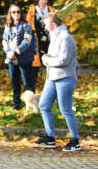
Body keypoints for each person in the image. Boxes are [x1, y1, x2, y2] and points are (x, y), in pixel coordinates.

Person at [35, 12, 82, 151]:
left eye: (46, 24)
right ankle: (50, 138)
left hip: (65, 77)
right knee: (43, 105)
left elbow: (63, 60)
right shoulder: (55, 37)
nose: (44, 26)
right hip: (52, 77)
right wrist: (48, 58)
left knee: (65, 109)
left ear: (53, 25)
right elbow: (56, 57)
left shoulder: (65, 38)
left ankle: (75, 140)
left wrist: (47, 60)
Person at [2, 4, 37, 110]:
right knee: (15, 82)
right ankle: (16, 103)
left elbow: (27, 40)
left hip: (24, 58)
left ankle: (34, 104)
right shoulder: (8, 26)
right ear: (10, 14)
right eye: (13, 12)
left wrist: (16, 52)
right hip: (11, 59)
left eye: (18, 12)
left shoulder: (26, 25)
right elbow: (4, 40)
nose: (16, 14)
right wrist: (8, 52)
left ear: (21, 13)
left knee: (28, 83)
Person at [27, 0, 53, 70]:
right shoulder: (32, 10)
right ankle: (34, 80)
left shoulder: (51, 10)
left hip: (50, 39)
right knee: (36, 61)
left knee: (50, 61)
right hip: (36, 39)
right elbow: (28, 24)